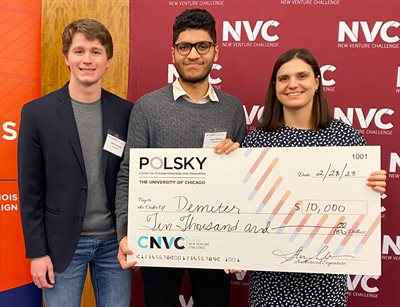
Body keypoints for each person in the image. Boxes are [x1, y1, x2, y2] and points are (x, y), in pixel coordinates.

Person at [115, 8, 247, 307]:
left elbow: (242, 183)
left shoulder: (232, 109)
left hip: (216, 239)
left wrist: (241, 241)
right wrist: (125, 232)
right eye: (184, 47)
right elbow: (128, 174)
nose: (193, 55)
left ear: (215, 51)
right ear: (173, 52)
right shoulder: (147, 108)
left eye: (202, 46)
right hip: (158, 238)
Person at [241, 48, 387, 306]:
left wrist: (372, 189)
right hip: (270, 280)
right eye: (283, 78)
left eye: (302, 76)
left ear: (317, 82)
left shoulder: (348, 140)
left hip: (326, 281)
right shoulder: (256, 142)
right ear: (275, 86)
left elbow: (359, 211)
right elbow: (239, 205)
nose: (293, 84)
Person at [18, 19, 133, 307]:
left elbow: (133, 177)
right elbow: (30, 191)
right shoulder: (37, 114)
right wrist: (37, 253)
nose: (87, 59)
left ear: (108, 60)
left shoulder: (126, 112)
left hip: (115, 246)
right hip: (62, 245)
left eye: (96, 51)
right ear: (67, 57)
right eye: (79, 51)